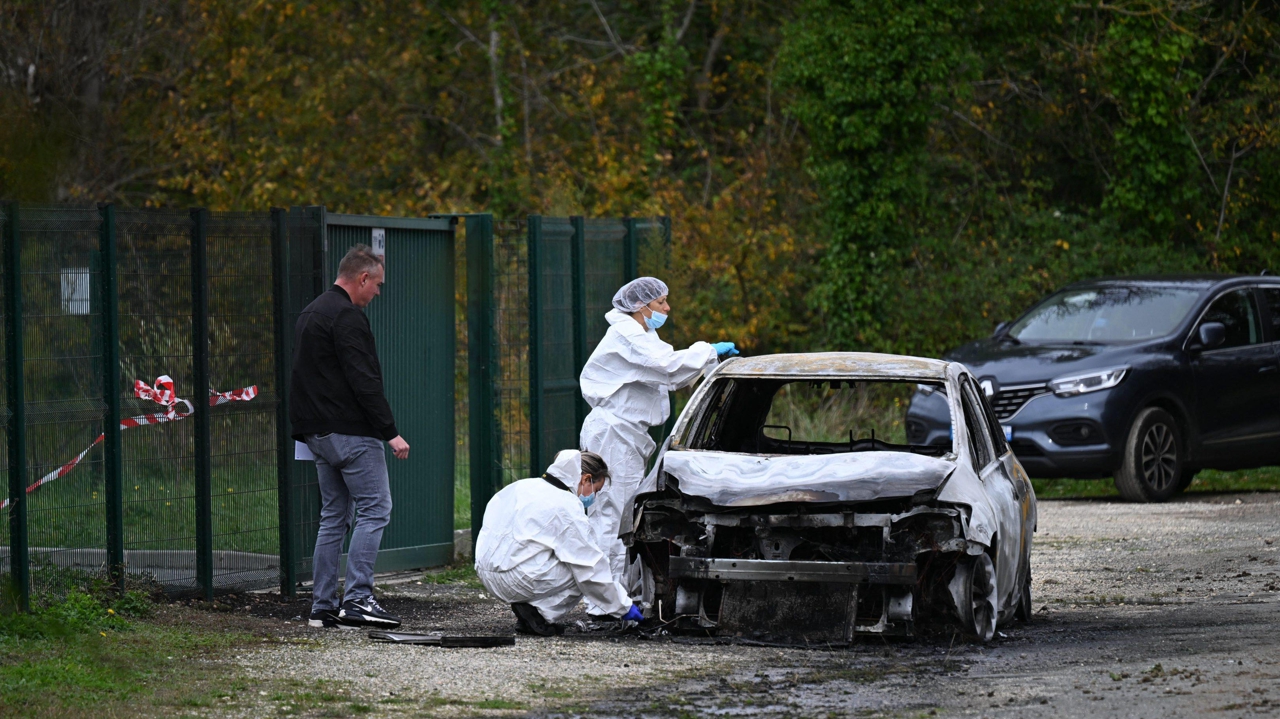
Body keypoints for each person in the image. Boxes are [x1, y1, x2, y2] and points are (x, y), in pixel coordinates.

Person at [578, 277, 738, 598]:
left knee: (621, 515)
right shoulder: (627, 336)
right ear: (642, 306)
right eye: (661, 302)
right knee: (613, 516)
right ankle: (606, 603)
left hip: (624, 434)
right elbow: (667, 367)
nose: (667, 308)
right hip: (614, 434)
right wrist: (707, 350)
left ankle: (621, 596)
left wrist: (707, 361)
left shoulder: (642, 334)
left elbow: (671, 374)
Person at [290, 243, 411, 629]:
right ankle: (358, 599)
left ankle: (322, 607)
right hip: (351, 433)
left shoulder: (311, 313)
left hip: (317, 433)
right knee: (376, 509)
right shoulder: (347, 317)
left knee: (334, 517)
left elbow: (302, 378)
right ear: (362, 278)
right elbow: (364, 381)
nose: (377, 293)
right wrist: (390, 432)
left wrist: (307, 432)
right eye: (376, 285)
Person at [474, 449, 644, 635]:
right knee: (581, 570)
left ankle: (529, 614)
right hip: (517, 578)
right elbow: (590, 567)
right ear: (586, 479)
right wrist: (624, 607)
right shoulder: (566, 505)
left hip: (486, 574)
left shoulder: (521, 486)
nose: (593, 497)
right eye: (595, 490)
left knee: (565, 558)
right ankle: (541, 615)